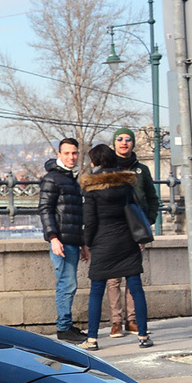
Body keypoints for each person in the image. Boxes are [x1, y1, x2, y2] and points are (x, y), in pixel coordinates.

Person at [79, 144, 151, 350]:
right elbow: (137, 210)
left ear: (94, 163)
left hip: (103, 243)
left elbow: (90, 221)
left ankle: (92, 339)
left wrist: (88, 243)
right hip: (127, 241)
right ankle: (143, 336)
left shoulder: (91, 188)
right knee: (136, 288)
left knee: (96, 291)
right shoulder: (126, 185)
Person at [104, 127, 161, 337]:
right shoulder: (107, 168)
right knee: (113, 279)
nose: (124, 142)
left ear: (133, 143)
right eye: (120, 139)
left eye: (128, 139)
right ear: (114, 143)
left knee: (133, 277)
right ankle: (116, 322)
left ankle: (132, 320)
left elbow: (153, 199)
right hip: (113, 229)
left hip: (135, 230)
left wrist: (149, 221)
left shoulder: (142, 170)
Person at [39, 138, 89, 342]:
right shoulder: (53, 179)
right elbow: (45, 209)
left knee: (70, 284)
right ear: (59, 155)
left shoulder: (70, 178)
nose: (71, 157)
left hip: (72, 240)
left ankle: (67, 325)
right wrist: (53, 237)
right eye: (67, 153)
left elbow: (77, 215)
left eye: (74, 153)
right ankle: (63, 328)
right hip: (61, 240)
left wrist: (83, 243)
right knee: (66, 284)